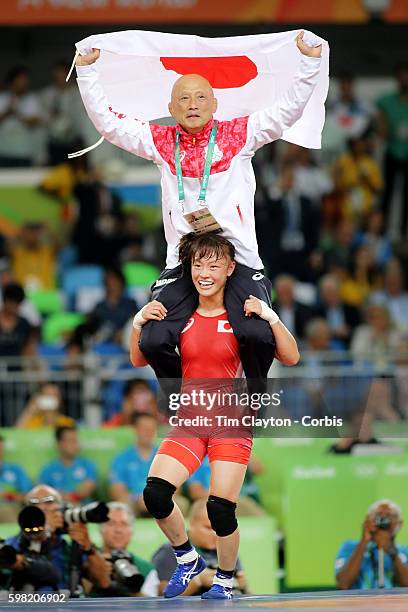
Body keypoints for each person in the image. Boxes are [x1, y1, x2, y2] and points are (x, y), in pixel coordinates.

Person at [75, 32, 321, 391]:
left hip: (239, 262)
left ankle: (253, 397)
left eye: (201, 96)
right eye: (184, 98)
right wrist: (86, 72)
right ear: (171, 108)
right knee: (154, 338)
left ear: (215, 103)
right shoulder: (159, 142)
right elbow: (109, 125)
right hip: (183, 262)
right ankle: (180, 397)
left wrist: (309, 63)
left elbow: (289, 108)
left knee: (256, 333)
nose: (193, 104)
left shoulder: (241, 135)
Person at [129, 232, 299, 599]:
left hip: (230, 424)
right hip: (190, 421)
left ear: (230, 269)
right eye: (197, 264)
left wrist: (271, 316)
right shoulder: (180, 316)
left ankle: (224, 579)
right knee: (155, 495)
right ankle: (186, 557)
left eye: (214, 264)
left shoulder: (243, 317)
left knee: (220, 510)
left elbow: (291, 357)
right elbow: (138, 358)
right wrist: (138, 323)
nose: (204, 272)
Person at [3, 484, 109, 593]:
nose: (43, 507)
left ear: (62, 508)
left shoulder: (68, 548)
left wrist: (88, 546)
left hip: (66, 607)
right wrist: (42, 531)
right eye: (34, 503)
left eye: (49, 502)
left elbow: (103, 581)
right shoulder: (12, 544)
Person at [153, 499, 249, 596]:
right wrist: (198, 581)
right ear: (192, 524)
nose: (215, 534)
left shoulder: (226, 548)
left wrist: (242, 586)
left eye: (219, 529)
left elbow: (247, 594)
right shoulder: (170, 550)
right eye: (208, 528)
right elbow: (162, 595)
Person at [336, 499, 408, 589]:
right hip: (359, 602)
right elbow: (343, 584)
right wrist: (364, 541)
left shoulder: (404, 552)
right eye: (378, 515)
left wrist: (391, 551)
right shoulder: (349, 547)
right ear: (368, 519)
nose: (384, 520)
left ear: (399, 524)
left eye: (389, 516)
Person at [92, 501, 159, 597]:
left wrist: (133, 588)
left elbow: (152, 606)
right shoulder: (89, 561)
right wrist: (93, 573)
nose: (118, 530)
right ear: (101, 529)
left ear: (131, 531)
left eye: (124, 524)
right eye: (111, 524)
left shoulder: (146, 568)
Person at [108, 413, 158, 517]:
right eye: (144, 429)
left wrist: (155, 499)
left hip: (160, 500)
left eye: (151, 429)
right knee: (122, 504)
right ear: (135, 430)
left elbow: (176, 486)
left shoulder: (165, 456)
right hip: (133, 501)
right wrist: (136, 498)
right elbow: (116, 489)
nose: (148, 433)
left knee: (180, 503)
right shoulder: (122, 458)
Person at [38, 426, 97, 504]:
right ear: (59, 444)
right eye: (71, 441)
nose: (75, 444)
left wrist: (59, 495)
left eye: (76, 440)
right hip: (57, 510)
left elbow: (85, 491)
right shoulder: (47, 470)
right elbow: (43, 495)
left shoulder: (88, 465)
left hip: (83, 510)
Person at [0, 435, 32, 522]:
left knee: (6, 510)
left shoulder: (16, 470)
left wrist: (8, 496)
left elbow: (28, 496)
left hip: (12, 507)